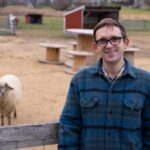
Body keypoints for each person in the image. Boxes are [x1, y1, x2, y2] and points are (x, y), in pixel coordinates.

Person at [58, 18, 150, 149]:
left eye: (115, 39)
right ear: (95, 47)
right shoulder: (80, 80)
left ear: (126, 43)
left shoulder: (146, 82)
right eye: (102, 41)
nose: (109, 45)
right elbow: (69, 125)